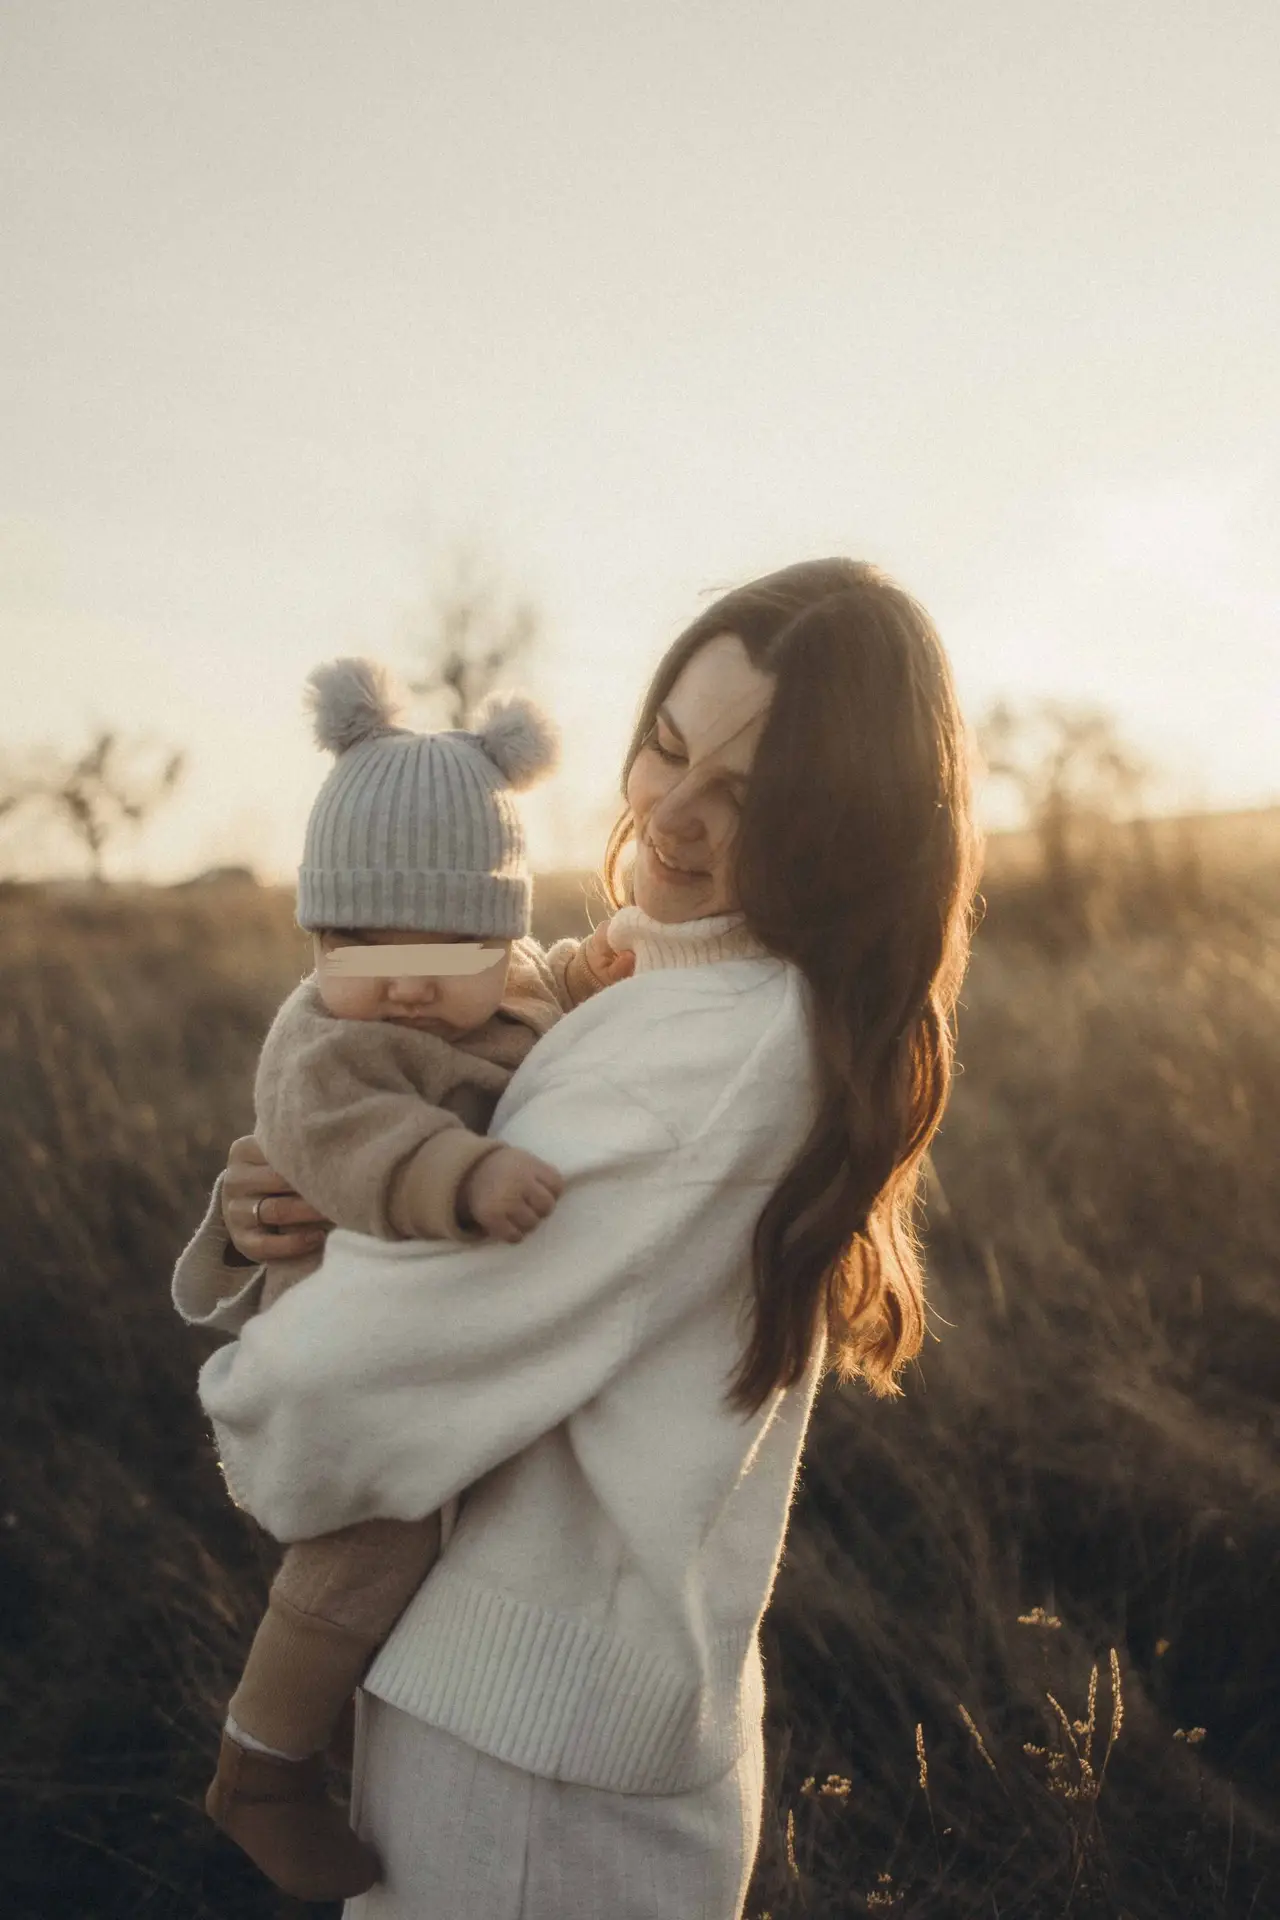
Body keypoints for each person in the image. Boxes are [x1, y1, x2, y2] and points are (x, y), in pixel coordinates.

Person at [173, 557, 980, 1920]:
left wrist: (263, 1366)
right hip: (530, 1711)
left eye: (748, 793)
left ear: (841, 823)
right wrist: (293, 1209)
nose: (670, 811)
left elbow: (335, 1396)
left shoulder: (709, 1051)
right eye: (667, 747)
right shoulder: (669, 978)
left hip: (531, 1775)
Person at [181, 660, 631, 1902]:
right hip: (347, 1335)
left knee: (427, 1557)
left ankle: (325, 1730)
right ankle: (258, 1768)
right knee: (368, 1549)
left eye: (449, 940)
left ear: (498, 931)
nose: (403, 976)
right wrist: (461, 1177)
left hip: (456, 1350)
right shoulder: (329, 1038)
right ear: (317, 937)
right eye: (359, 940)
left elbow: (559, 990)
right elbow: (349, 1141)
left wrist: (604, 976)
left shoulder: (510, 986)